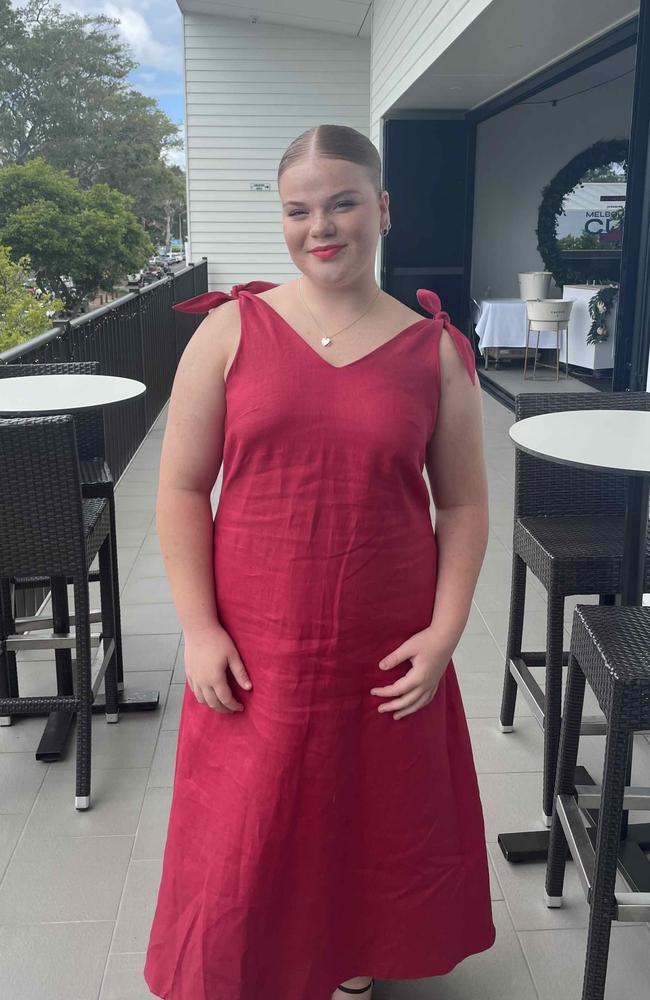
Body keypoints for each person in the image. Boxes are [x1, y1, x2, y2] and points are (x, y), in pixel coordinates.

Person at [143, 123, 496, 1000]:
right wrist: (198, 629)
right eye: (299, 210)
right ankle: (254, 957)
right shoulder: (230, 333)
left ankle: (351, 957)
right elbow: (182, 489)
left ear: (382, 207)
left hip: (383, 642)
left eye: (342, 202)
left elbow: (462, 505)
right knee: (249, 816)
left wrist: (446, 634)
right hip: (256, 638)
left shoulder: (436, 353)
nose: (320, 227)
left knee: (369, 813)